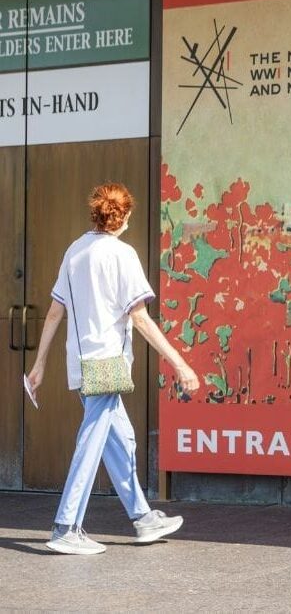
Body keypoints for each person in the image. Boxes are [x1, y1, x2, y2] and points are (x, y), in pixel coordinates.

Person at [27, 182, 200, 555]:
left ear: (97, 213)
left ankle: (143, 518)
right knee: (92, 442)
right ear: (126, 215)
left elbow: (56, 311)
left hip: (81, 361)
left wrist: (39, 364)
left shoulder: (74, 251)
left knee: (120, 441)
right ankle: (65, 526)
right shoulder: (123, 254)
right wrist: (181, 364)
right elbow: (140, 318)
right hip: (107, 362)